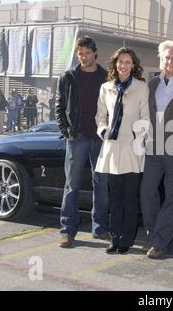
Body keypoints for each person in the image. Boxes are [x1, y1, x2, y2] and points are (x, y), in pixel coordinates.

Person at [140, 41, 173, 259]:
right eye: (166, 58)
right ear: (160, 60)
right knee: (147, 191)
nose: (169, 61)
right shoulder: (152, 84)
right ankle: (153, 235)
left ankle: (161, 242)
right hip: (153, 145)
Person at [95, 47, 149, 254]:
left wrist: (136, 135)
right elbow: (100, 116)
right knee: (114, 198)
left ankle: (126, 240)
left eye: (127, 62)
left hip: (132, 149)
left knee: (129, 199)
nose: (123, 65)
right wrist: (103, 130)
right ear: (115, 64)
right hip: (111, 148)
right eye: (120, 62)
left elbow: (146, 117)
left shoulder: (141, 88)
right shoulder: (106, 88)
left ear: (133, 65)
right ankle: (115, 238)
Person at [56, 36, 109, 248]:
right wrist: (65, 130)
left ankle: (100, 229)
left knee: (102, 185)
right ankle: (67, 230)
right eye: (80, 53)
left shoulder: (107, 77)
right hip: (76, 137)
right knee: (72, 185)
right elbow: (59, 106)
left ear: (95, 53)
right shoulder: (68, 76)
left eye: (87, 53)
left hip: (100, 137)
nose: (84, 57)